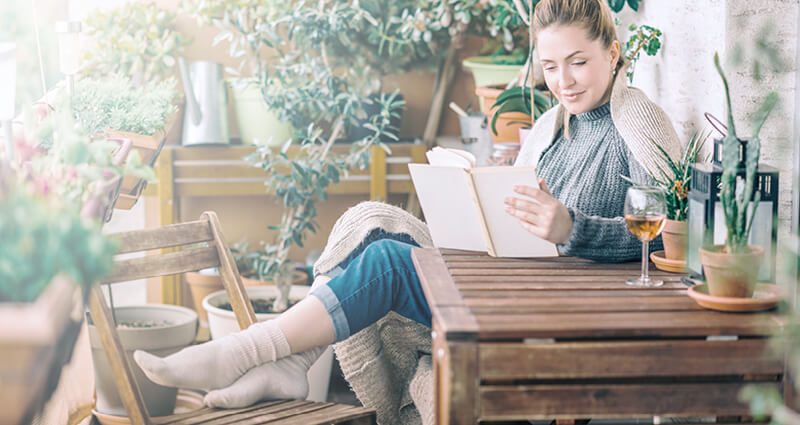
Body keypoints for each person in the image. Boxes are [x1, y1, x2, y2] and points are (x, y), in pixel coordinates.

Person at [133, 0, 681, 420]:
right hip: (512, 282)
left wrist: (573, 229)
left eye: (579, 62)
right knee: (372, 231)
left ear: (613, 53)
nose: (563, 81)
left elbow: (672, 238)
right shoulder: (551, 127)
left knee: (390, 263)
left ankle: (246, 351)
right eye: (552, 67)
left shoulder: (637, 118)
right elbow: (520, 218)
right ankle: (290, 363)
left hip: (549, 308)